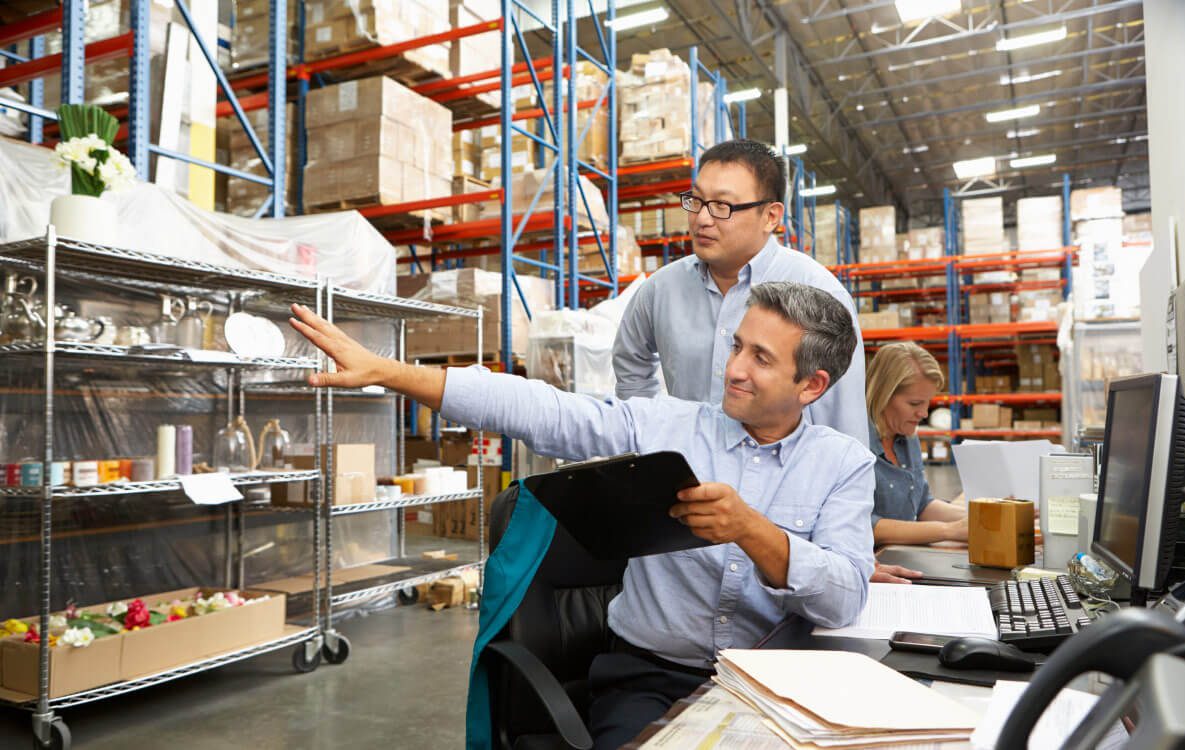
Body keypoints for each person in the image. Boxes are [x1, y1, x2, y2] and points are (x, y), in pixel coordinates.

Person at [288, 283, 874, 750]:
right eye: (737, 346)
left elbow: (843, 597)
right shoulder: (663, 427)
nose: (734, 369)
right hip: (648, 679)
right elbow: (542, 409)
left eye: (761, 358)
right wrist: (393, 373)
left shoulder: (842, 466)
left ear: (811, 384)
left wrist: (751, 529)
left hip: (773, 689)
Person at [612, 139, 868, 447]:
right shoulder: (660, 289)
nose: (702, 219)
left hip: (780, 484)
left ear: (771, 217)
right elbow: (630, 361)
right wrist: (652, 432)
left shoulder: (818, 293)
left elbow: (843, 423)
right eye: (696, 201)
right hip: (687, 476)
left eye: (722, 206)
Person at [866, 342, 967, 546]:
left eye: (928, 402)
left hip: (903, 555)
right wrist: (948, 531)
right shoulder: (855, 442)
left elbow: (923, 505)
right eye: (914, 404)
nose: (924, 414)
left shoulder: (906, 434)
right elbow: (864, 525)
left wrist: (983, 517)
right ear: (883, 394)